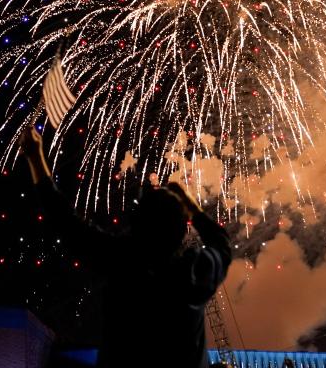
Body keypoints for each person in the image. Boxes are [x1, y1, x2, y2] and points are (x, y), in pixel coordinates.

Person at [19, 126, 233, 368]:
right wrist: (191, 207)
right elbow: (222, 244)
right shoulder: (194, 271)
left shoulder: (120, 260)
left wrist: (35, 157)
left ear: (136, 223)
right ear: (182, 229)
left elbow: (65, 220)